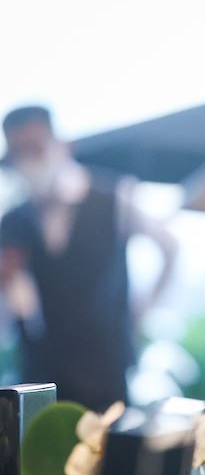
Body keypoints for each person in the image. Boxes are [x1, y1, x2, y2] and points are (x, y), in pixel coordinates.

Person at [0, 106, 179, 411]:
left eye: (36, 148)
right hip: (41, 373)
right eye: (19, 153)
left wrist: (143, 310)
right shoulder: (14, 219)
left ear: (62, 145)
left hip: (104, 368)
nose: (29, 161)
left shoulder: (114, 198)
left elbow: (170, 248)